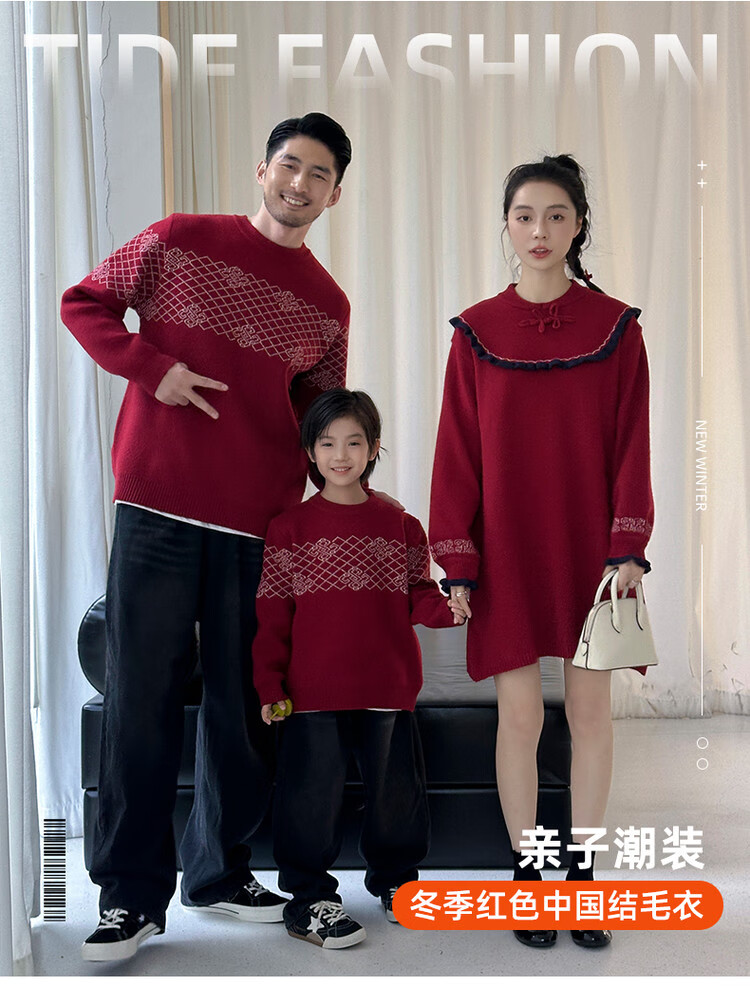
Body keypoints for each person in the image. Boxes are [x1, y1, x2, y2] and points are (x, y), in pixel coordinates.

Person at [60, 112, 353, 961]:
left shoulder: (328, 304)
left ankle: (218, 874)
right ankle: (129, 898)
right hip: (156, 504)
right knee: (138, 701)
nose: (300, 184)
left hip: (259, 523)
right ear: (263, 172)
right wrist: (153, 369)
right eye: (290, 165)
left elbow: (319, 416)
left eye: (319, 174)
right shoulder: (180, 240)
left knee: (245, 709)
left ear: (336, 195)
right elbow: (85, 303)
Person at [429, 155, 654, 950]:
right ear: (506, 223)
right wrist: (457, 561)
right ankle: (530, 874)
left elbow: (633, 446)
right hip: (506, 548)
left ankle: (583, 879)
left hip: (594, 550)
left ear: (579, 225)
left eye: (556, 215)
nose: (539, 231)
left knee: (590, 714)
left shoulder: (618, 329)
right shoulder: (475, 332)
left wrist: (627, 547)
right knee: (519, 716)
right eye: (524, 215)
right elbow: (456, 454)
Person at [252, 388, 465, 949]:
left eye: (353, 442)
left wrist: (452, 608)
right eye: (327, 443)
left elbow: (419, 594)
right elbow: (272, 616)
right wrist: (269, 683)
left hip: (388, 687)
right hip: (310, 694)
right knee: (309, 797)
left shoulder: (401, 525)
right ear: (310, 451)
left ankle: (398, 883)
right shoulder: (288, 528)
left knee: (396, 796)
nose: (340, 455)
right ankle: (309, 897)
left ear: (374, 448)